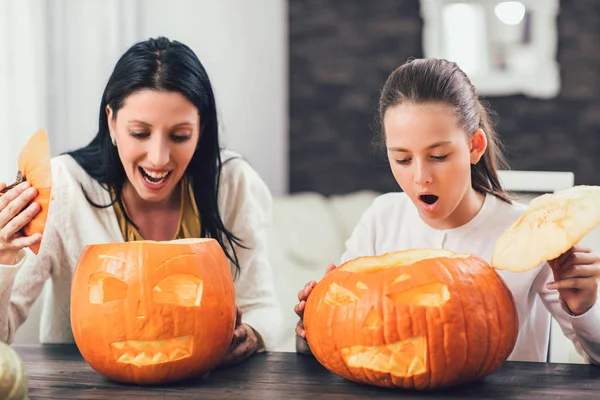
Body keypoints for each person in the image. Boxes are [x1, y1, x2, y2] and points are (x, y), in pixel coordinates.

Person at [0, 36, 284, 367]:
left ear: (201, 129)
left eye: (180, 136)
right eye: (140, 133)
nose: (159, 158)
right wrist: (4, 255)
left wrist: (251, 333)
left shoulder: (234, 183)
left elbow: (263, 306)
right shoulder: (65, 186)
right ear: (112, 123)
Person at [294, 58, 600, 363]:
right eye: (402, 159)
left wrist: (583, 309)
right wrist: (312, 326)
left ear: (474, 146)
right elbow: (343, 341)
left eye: (438, 156)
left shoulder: (530, 232)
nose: (420, 177)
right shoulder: (381, 218)